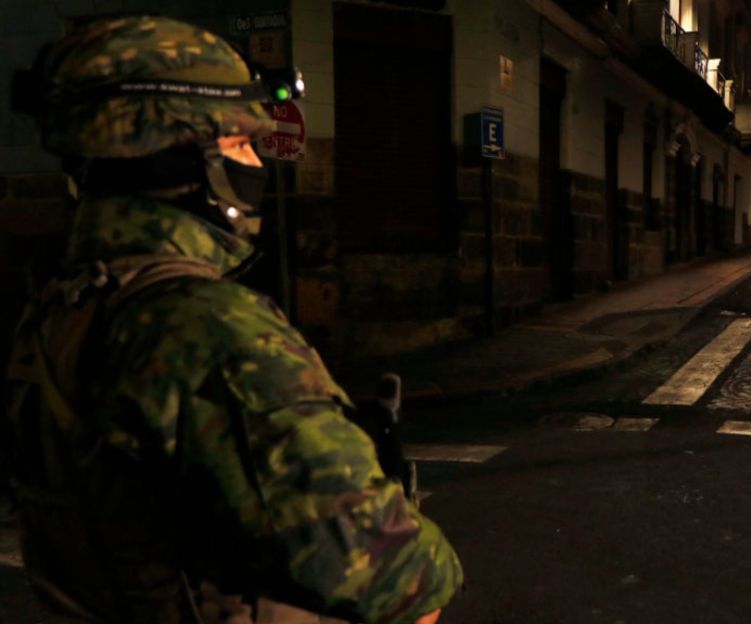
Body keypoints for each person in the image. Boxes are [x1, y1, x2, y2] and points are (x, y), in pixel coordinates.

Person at [4, 15, 461, 624]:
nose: (255, 165)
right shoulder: (203, 327)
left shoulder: (61, 308)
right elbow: (386, 573)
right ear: (176, 155)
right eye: (241, 144)